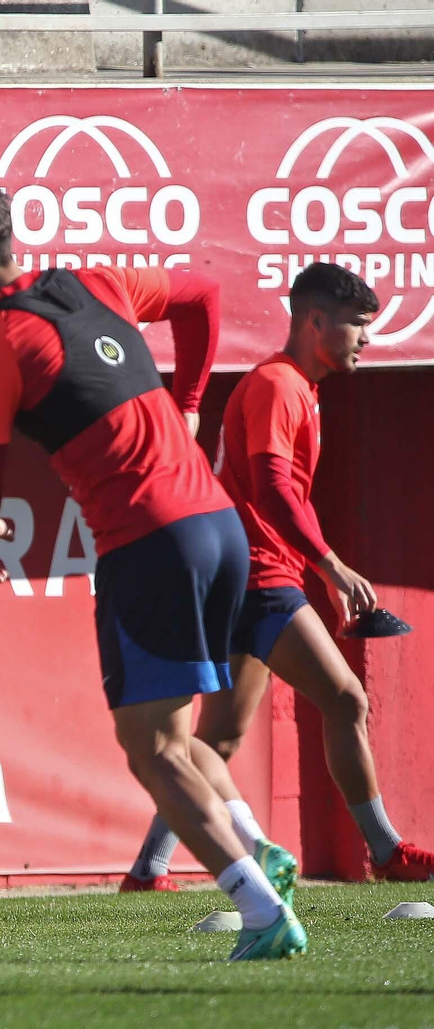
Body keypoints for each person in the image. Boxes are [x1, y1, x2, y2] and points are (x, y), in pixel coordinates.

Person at [0, 169, 305, 960]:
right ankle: (262, 850)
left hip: (149, 541)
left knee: (149, 749)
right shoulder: (95, 280)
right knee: (175, 735)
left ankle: (259, 910)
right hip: (218, 525)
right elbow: (204, 298)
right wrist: (188, 404)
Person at [124, 261, 433, 888]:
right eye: (356, 325)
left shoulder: (300, 389)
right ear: (315, 321)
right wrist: (332, 566)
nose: (366, 338)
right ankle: (385, 849)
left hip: (248, 574)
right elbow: (270, 488)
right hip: (256, 578)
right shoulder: (278, 385)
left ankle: (147, 868)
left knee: (218, 739)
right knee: (346, 698)